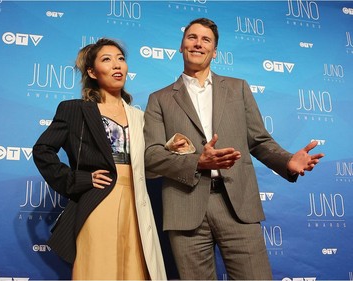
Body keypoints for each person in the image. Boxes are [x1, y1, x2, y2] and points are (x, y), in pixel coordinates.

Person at [143, 18, 324, 280]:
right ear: (181, 46)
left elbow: (259, 141)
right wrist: (197, 162)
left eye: (206, 40)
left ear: (215, 51)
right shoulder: (159, 99)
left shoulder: (238, 89)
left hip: (238, 205)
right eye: (192, 37)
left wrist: (287, 161)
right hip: (185, 207)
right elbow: (152, 156)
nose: (198, 43)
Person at [33, 38, 167, 280]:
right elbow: (42, 150)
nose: (117, 65)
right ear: (92, 72)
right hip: (98, 201)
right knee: (97, 269)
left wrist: (172, 149)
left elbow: (150, 160)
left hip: (137, 202)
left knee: (135, 271)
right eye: (107, 59)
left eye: (121, 59)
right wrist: (78, 179)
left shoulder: (140, 117)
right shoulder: (74, 109)